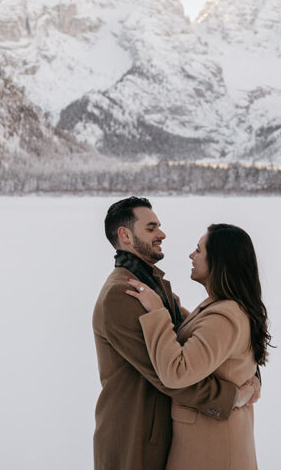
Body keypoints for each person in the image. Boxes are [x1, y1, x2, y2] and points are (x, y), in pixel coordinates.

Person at [93, 197, 257, 470]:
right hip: (136, 438)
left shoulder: (151, 284)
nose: (162, 234)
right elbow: (169, 377)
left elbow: (208, 336)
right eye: (151, 228)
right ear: (125, 235)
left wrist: (249, 370)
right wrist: (232, 397)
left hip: (161, 434)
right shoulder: (122, 293)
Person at [126, 223, 271, 470]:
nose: (191, 256)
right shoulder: (225, 307)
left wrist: (158, 313)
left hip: (211, 452)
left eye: (198, 250)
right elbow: (213, 346)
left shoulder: (224, 317)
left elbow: (177, 372)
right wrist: (178, 313)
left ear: (219, 261)